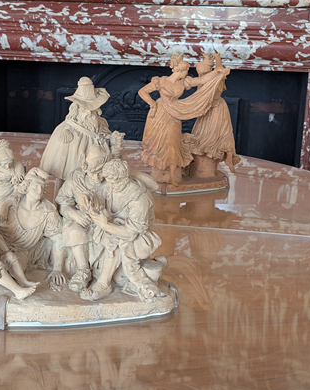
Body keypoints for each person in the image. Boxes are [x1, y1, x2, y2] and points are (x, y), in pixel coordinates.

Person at [138, 53, 230, 185]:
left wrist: (216, 72)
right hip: (160, 114)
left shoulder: (183, 82)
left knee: (173, 143)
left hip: (175, 113)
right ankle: (164, 174)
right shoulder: (161, 82)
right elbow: (142, 91)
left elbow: (201, 80)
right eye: (186, 70)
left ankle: (172, 176)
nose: (188, 72)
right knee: (160, 144)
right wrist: (152, 104)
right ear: (180, 70)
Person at [85, 159, 164, 301]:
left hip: (137, 236)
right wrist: (87, 199)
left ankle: (103, 283)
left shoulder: (139, 199)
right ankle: (87, 272)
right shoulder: (111, 186)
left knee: (116, 242)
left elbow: (131, 233)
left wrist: (105, 225)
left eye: (114, 182)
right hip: (113, 226)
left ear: (125, 178)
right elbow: (98, 195)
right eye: (109, 182)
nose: (111, 186)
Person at [0, 167, 66, 290]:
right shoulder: (13, 204)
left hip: (21, 252)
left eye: (42, 187)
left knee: (11, 267)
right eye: (35, 186)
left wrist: (57, 269)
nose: (39, 190)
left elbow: (58, 239)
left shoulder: (48, 212)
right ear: (27, 187)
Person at [55, 145, 111, 292]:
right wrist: (74, 214)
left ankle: (104, 276)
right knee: (72, 230)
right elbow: (63, 203)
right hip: (81, 220)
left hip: (105, 220)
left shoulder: (111, 180)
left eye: (100, 171)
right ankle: (83, 270)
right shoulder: (76, 178)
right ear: (85, 166)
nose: (97, 177)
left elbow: (119, 207)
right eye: (92, 171)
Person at [40, 77, 112, 187]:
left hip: (95, 173)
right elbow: (60, 167)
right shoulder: (65, 129)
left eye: (92, 108)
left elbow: (108, 139)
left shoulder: (101, 124)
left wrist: (110, 138)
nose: (89, 112)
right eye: (85, 108)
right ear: (76, 108)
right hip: (72, 177)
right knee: (67, 178)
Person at [183, 53, 241, 173]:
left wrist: (215, 59)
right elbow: (220, 69)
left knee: (209, 134)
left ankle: (225, 157)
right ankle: (229, 156)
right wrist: (217, 58)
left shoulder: (202, 83)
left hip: (211, 110)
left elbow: (219, 70)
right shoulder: (215, 79)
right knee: (224, 133)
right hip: (217, 107)